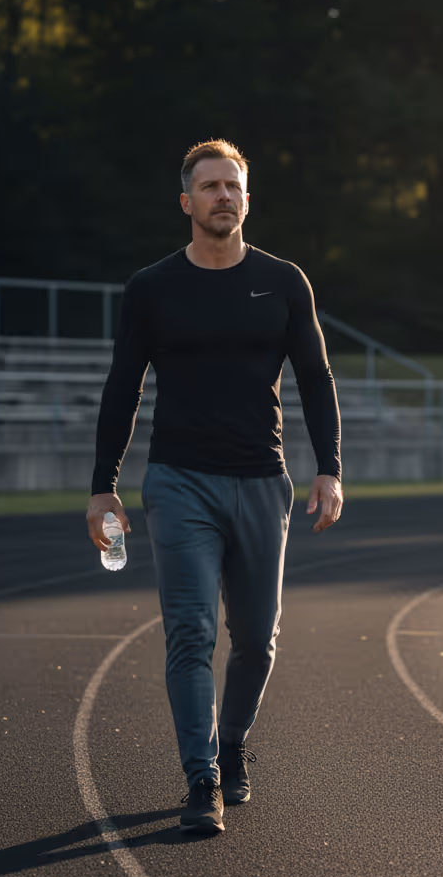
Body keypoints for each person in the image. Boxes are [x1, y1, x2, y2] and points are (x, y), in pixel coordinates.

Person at [86, 139, 343, 835]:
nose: (223, 196)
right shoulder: (152, 287)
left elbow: (316, 379)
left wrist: (330, 468)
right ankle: (202, 780)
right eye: (210, 186)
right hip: (178, 484)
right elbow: (122, 386)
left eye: (233, 186)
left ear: (247, 199)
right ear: (186, 202)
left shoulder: (285, 282)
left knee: (257, 641)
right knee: (190, 633)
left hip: (263, 482)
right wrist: (102, 485)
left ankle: (231, 745)